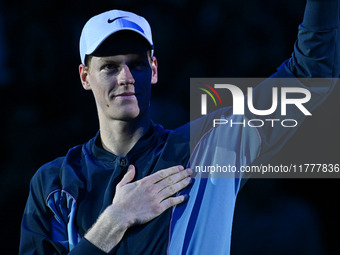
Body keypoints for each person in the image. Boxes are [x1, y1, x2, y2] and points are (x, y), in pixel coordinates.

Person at [19, 1, 340, 254]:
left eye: (137, 63)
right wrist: (116, 220)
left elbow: (310, 75)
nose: (126, 77)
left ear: (154, 69)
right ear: (85, 77)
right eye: (109, 67)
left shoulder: (212, 145)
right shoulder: (54, 184)